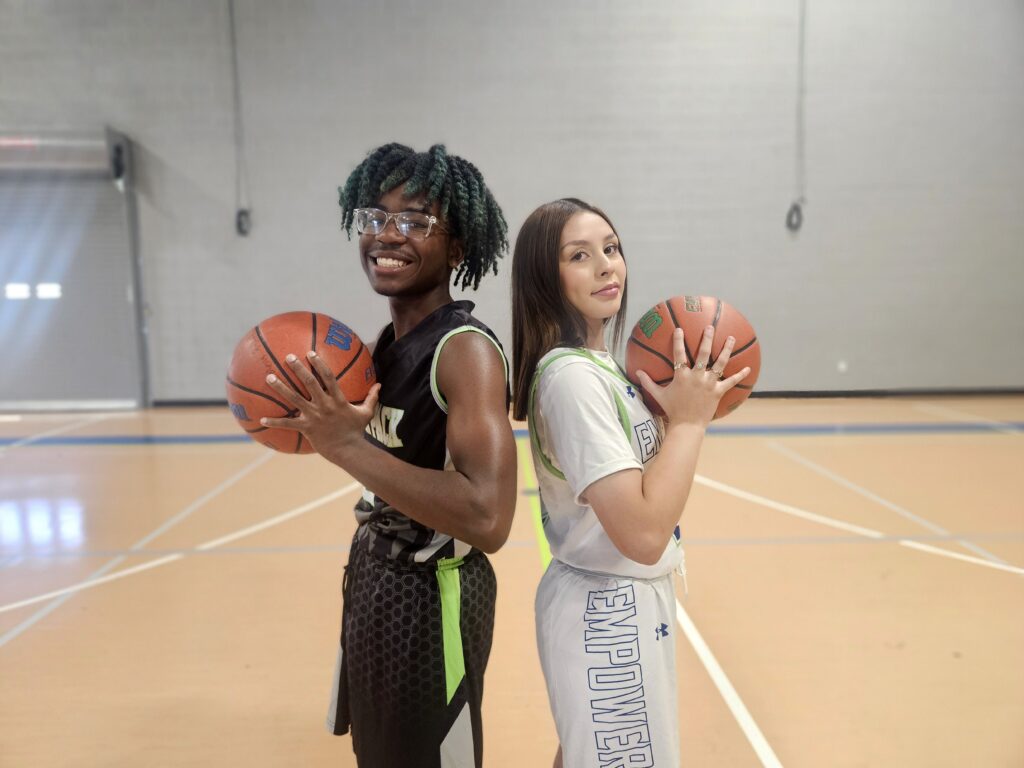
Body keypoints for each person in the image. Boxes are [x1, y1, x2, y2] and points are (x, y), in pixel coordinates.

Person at [262, 143, 517, 767]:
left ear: (457, 247)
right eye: (374, 218)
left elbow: (489, 517)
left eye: (414, 221)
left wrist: (346, 446)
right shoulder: (378, 345)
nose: (386, 235)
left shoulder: (464, 352)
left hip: (438, 594)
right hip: (377, 576)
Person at [510, 198, 750, 768]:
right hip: (606, 606)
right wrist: (690, 422)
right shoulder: (570, 378)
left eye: (611, 249)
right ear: (547, 277)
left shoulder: (602, 367)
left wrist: (671, 420)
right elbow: (641, 535)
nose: (606, 266)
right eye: (580, 256)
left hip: (617, 601)